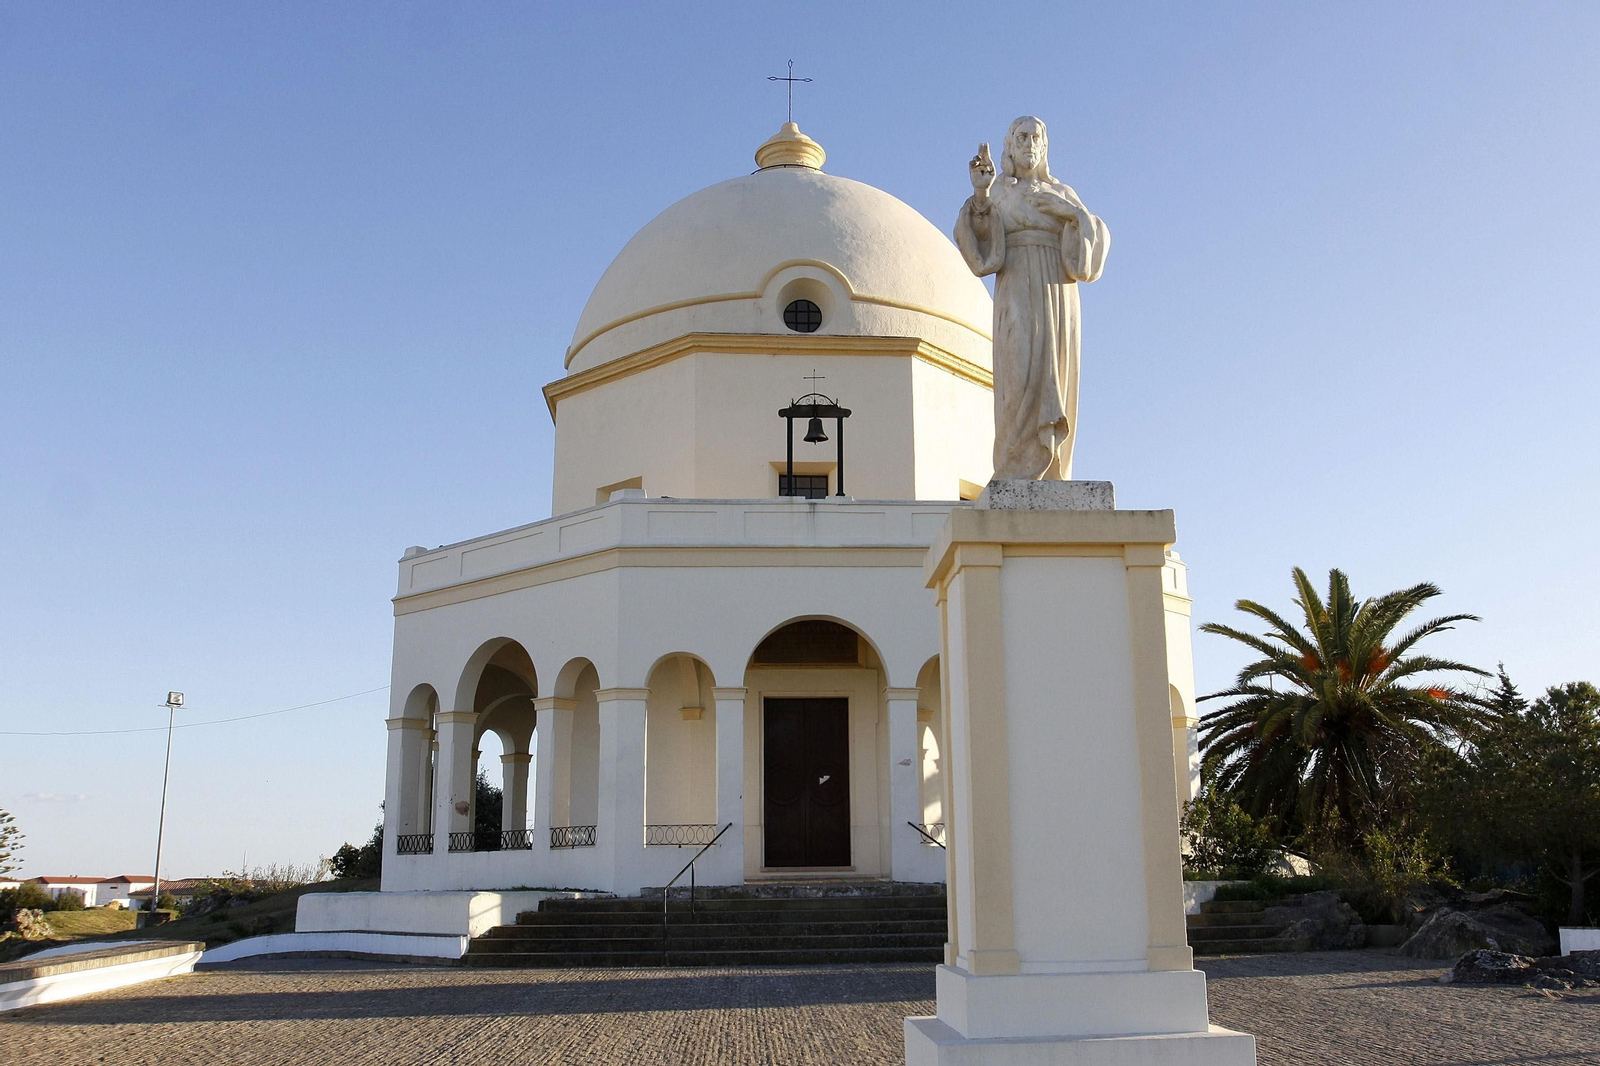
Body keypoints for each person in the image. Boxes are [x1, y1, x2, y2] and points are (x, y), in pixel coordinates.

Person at [955, 116, 1110, 481]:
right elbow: (979, 248)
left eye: (1035, 138)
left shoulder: (1064, 194)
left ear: (1044, 147)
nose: (1028, 144)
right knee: (1019, 372)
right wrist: (980, 195)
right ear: (1009, 146)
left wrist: (1072, 214)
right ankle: (1014, 468)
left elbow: (1089, 257)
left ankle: (1055, 468)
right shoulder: (997, 192)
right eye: (1021, 137)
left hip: (1057, 290)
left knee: (1055, 371)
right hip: (1016, 286)